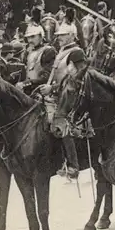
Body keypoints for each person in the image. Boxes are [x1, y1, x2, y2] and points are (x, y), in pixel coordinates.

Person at [38, 22, 82, 179]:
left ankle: (72, 164)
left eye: (62, 35)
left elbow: (75, 80)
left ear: (71, 35)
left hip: (71, 96)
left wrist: (53, 88)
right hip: (57, 95)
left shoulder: (76, 53)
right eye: (58, 36)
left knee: (62, 122)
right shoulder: (61, 52)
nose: (59, 38)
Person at [16, 25, 57, 95]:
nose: (30, 40)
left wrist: (26, 83)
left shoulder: (48, 51)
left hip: (42, 92)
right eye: (28, 37)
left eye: (33, 37)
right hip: (27, 91)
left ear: (41, 36)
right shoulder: (28, 51)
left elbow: (46, 77)